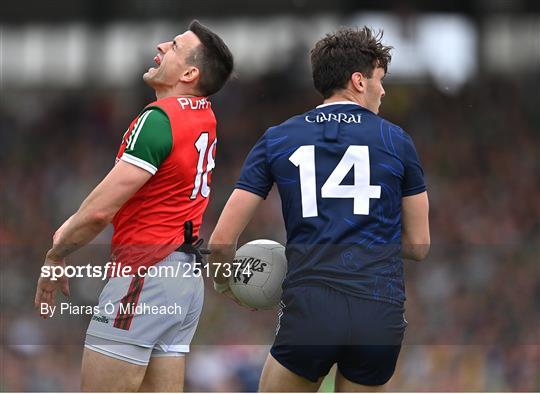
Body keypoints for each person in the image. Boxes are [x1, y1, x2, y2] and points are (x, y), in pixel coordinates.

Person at [209, 27, 430, 392]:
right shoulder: (397, 140)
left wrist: (226, 284)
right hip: (378, 308)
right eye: (379, 79)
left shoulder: (278, 138)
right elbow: (419, 245)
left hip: (312, 305)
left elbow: (220, 242)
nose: (383, 89)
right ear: (359, 81)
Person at [34, 20, 233, 392]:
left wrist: (55, 255)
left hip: (145, 273)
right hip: (184, 278)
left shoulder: (158, 120)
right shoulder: (204, 114)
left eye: (173, 46)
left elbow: (98, 212)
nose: (160, 46)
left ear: (190, 73)